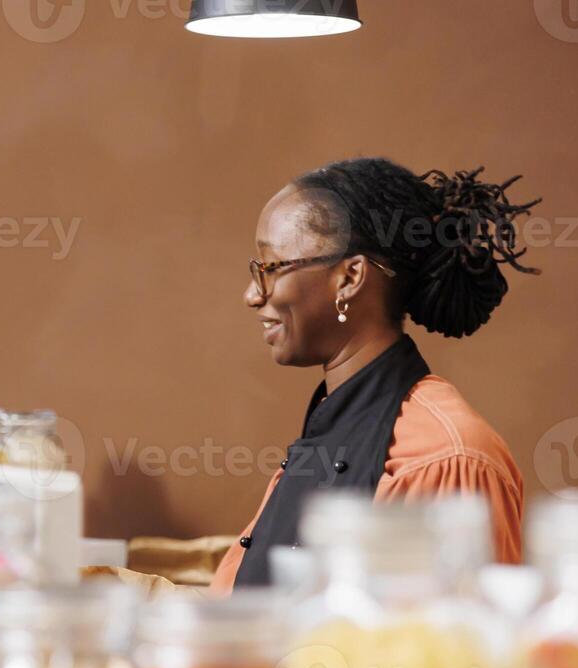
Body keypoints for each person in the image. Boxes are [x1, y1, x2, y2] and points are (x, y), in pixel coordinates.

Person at [211, 158, 538, 592]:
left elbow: (450, 650)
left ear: (349, 277)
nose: (252, 294)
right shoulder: (333, 422)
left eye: (271, 267)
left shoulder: (447, 456)